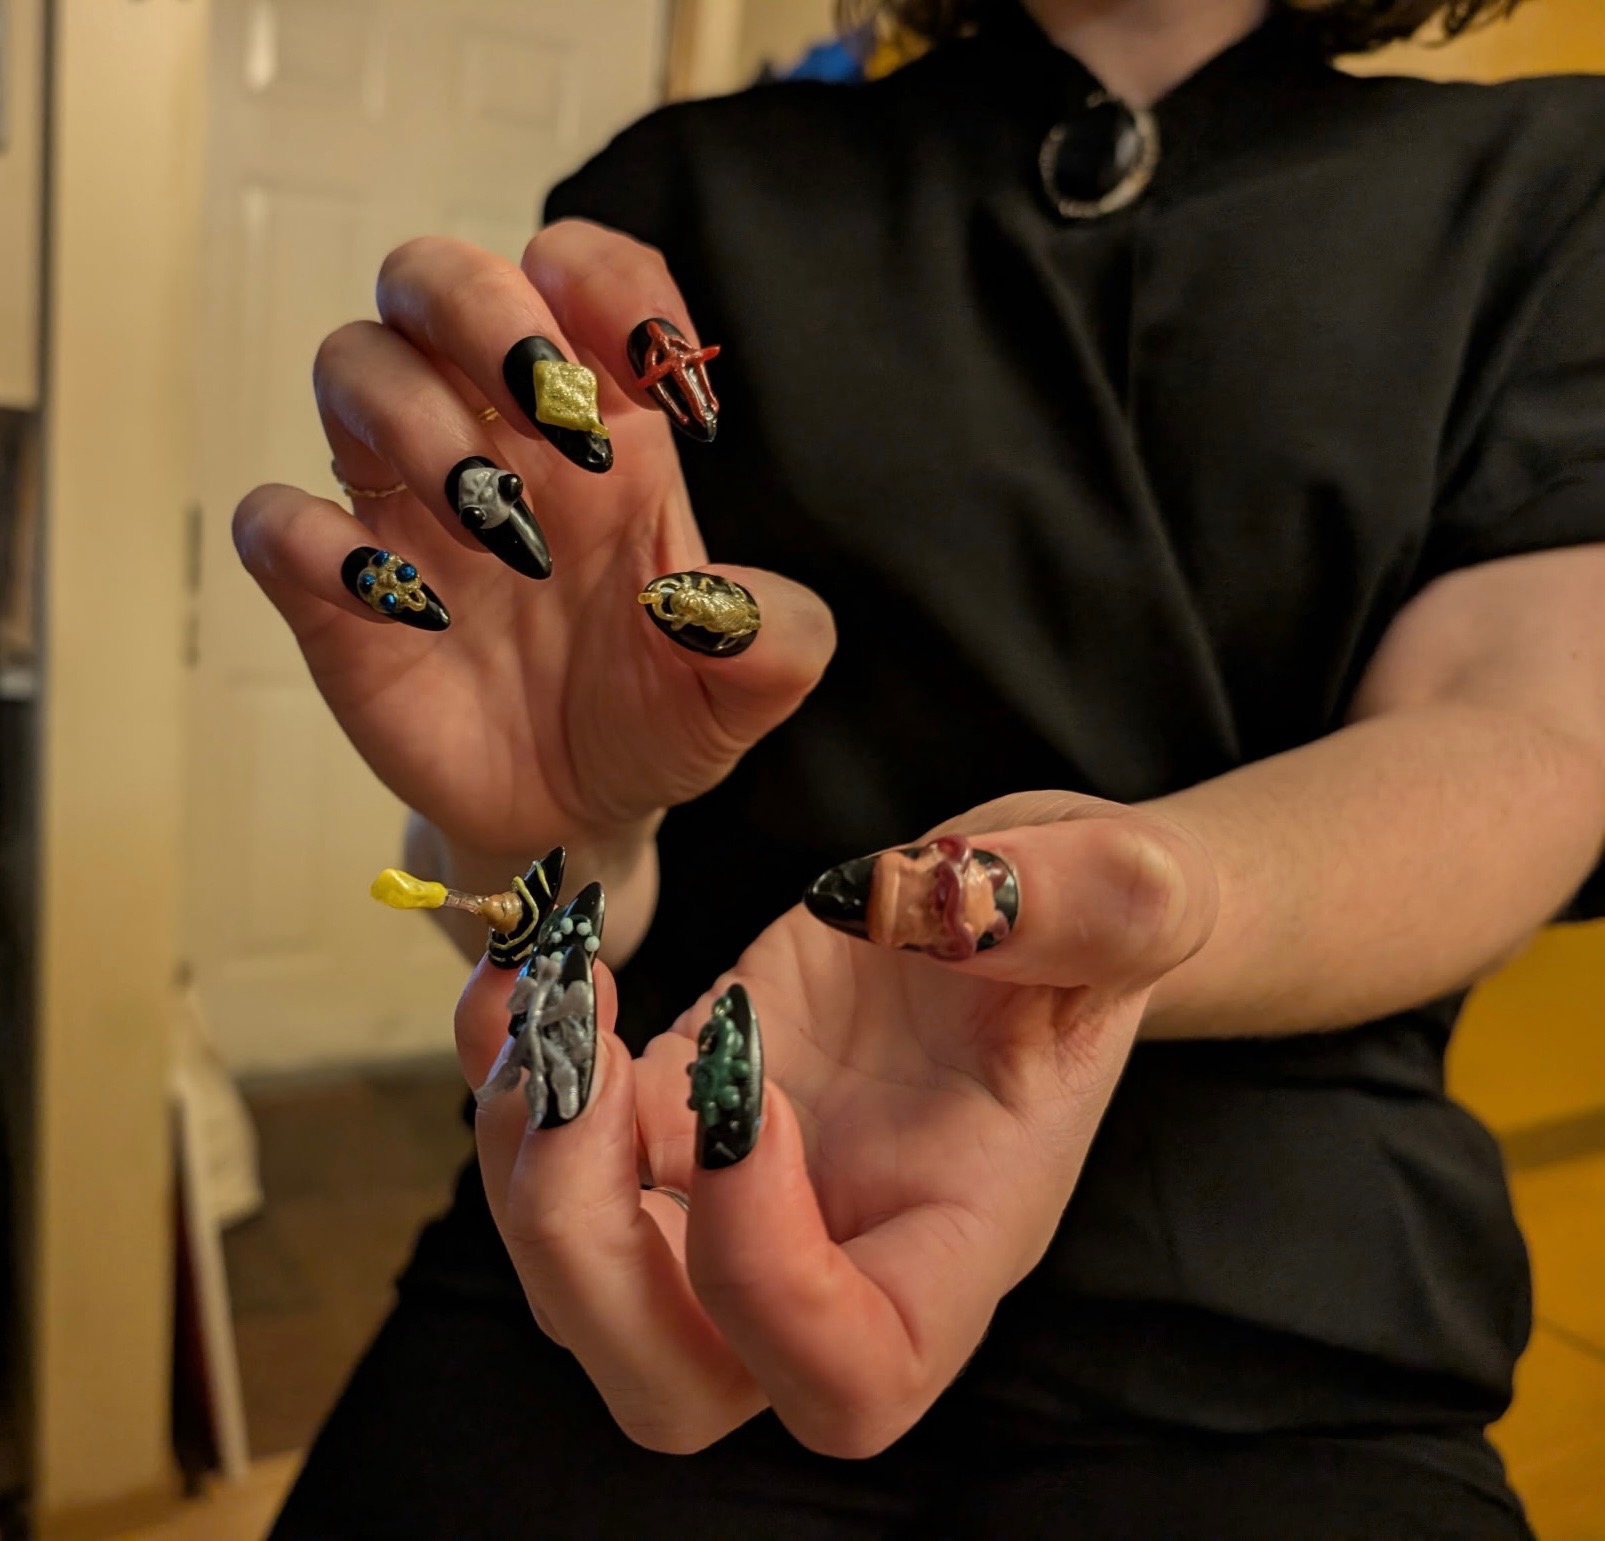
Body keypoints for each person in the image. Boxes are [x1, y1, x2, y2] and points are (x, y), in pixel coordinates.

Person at [233, 0, 1605, 1533]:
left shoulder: (1549, 186)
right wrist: (550, 829)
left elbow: (1529, 734)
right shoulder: (680, 196)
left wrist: (1128, 914)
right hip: (637, 1216)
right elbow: (531, 904)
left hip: (1280, 1307)